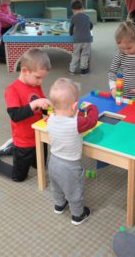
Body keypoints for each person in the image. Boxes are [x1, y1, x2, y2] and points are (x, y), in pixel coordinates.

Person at [0, 48, 51, 182]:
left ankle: (11, 148)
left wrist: (50, 108)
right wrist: (34, 104)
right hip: (24, 140)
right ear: (25, 71)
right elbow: (15, 115)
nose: (40, 82)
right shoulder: (12, 90)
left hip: (38, 136)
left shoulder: (36, 85)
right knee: (19, 176)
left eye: (42, 78)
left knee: (40, 167)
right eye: (38, 77)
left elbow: (41, 108)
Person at [47, 78, 98, 225]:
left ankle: (59, 205)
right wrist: (91, 108)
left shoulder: (50, 118)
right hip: (70, 166)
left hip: (53, 162)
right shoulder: (77, 123)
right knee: (74, 190)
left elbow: (58, 117)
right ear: (75, 106)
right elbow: (92, 120)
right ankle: (77, 215)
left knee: (56, 186)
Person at [69, 0, 93, 76]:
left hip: (77, 39)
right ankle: (83, 70)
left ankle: (72, 70)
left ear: (73, 10)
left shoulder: (73, 17)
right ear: (82, 8)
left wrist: (71, 34)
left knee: (76, 54)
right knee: (85, 54)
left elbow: (71, 28)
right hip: (87, 39)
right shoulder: (87, 17)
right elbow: (91, 26)